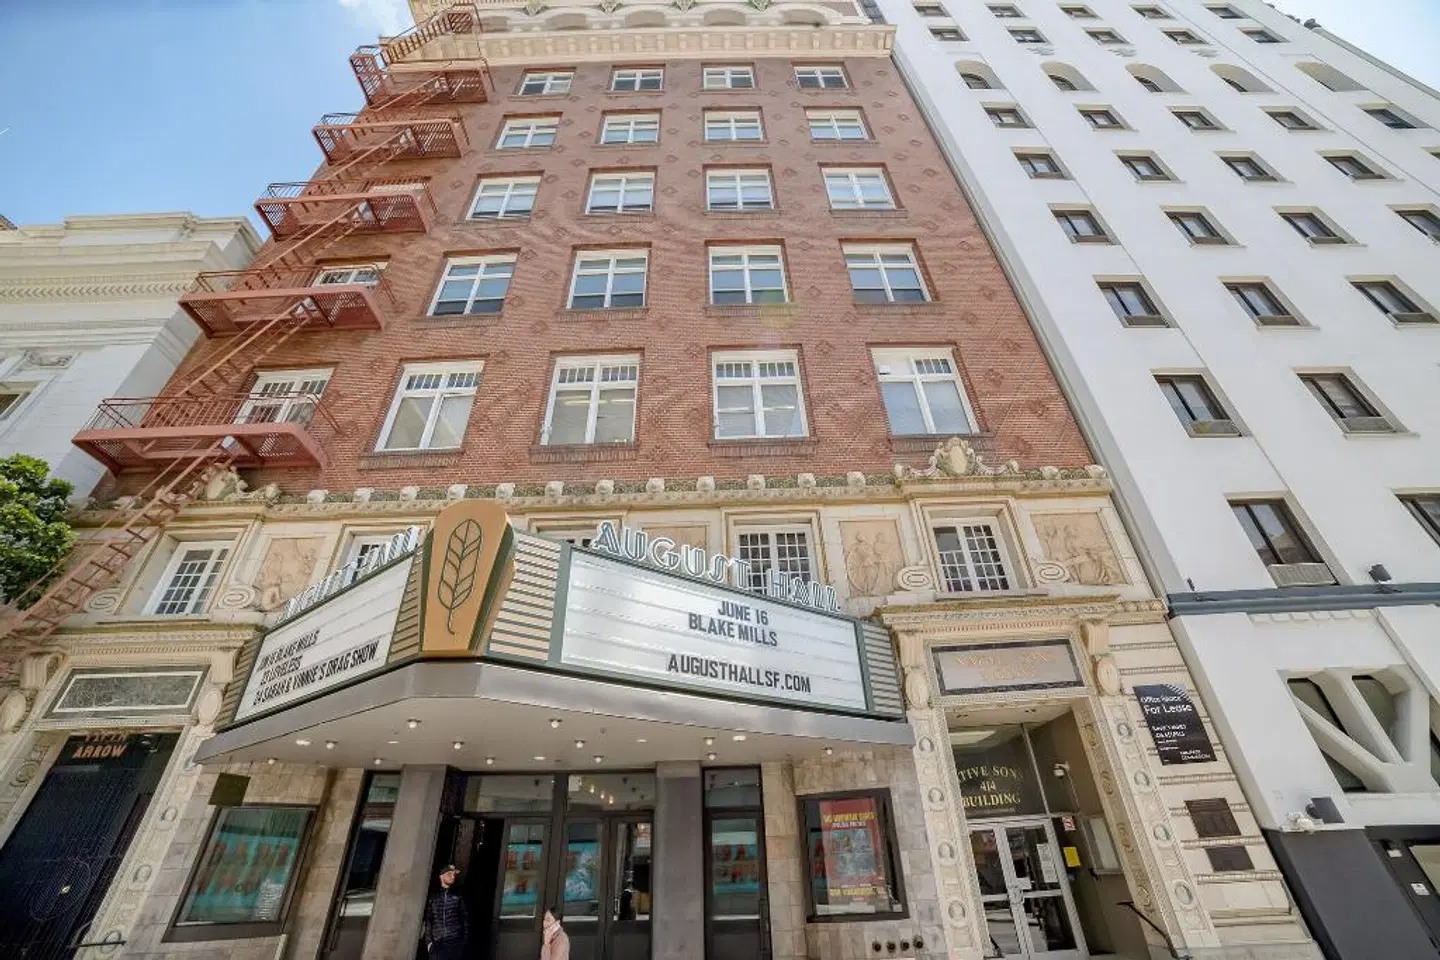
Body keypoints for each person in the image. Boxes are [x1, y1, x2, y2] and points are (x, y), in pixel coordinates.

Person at [423, 864, 469, 960]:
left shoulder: (458, 897)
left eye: (454, 874)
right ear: (441, 877)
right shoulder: (433, 898)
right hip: (437, 944)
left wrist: (462, 943)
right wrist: (429, 943)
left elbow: (464, 920)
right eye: (449, 874)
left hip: (454, 944)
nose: (453, 877)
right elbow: (429, 921)